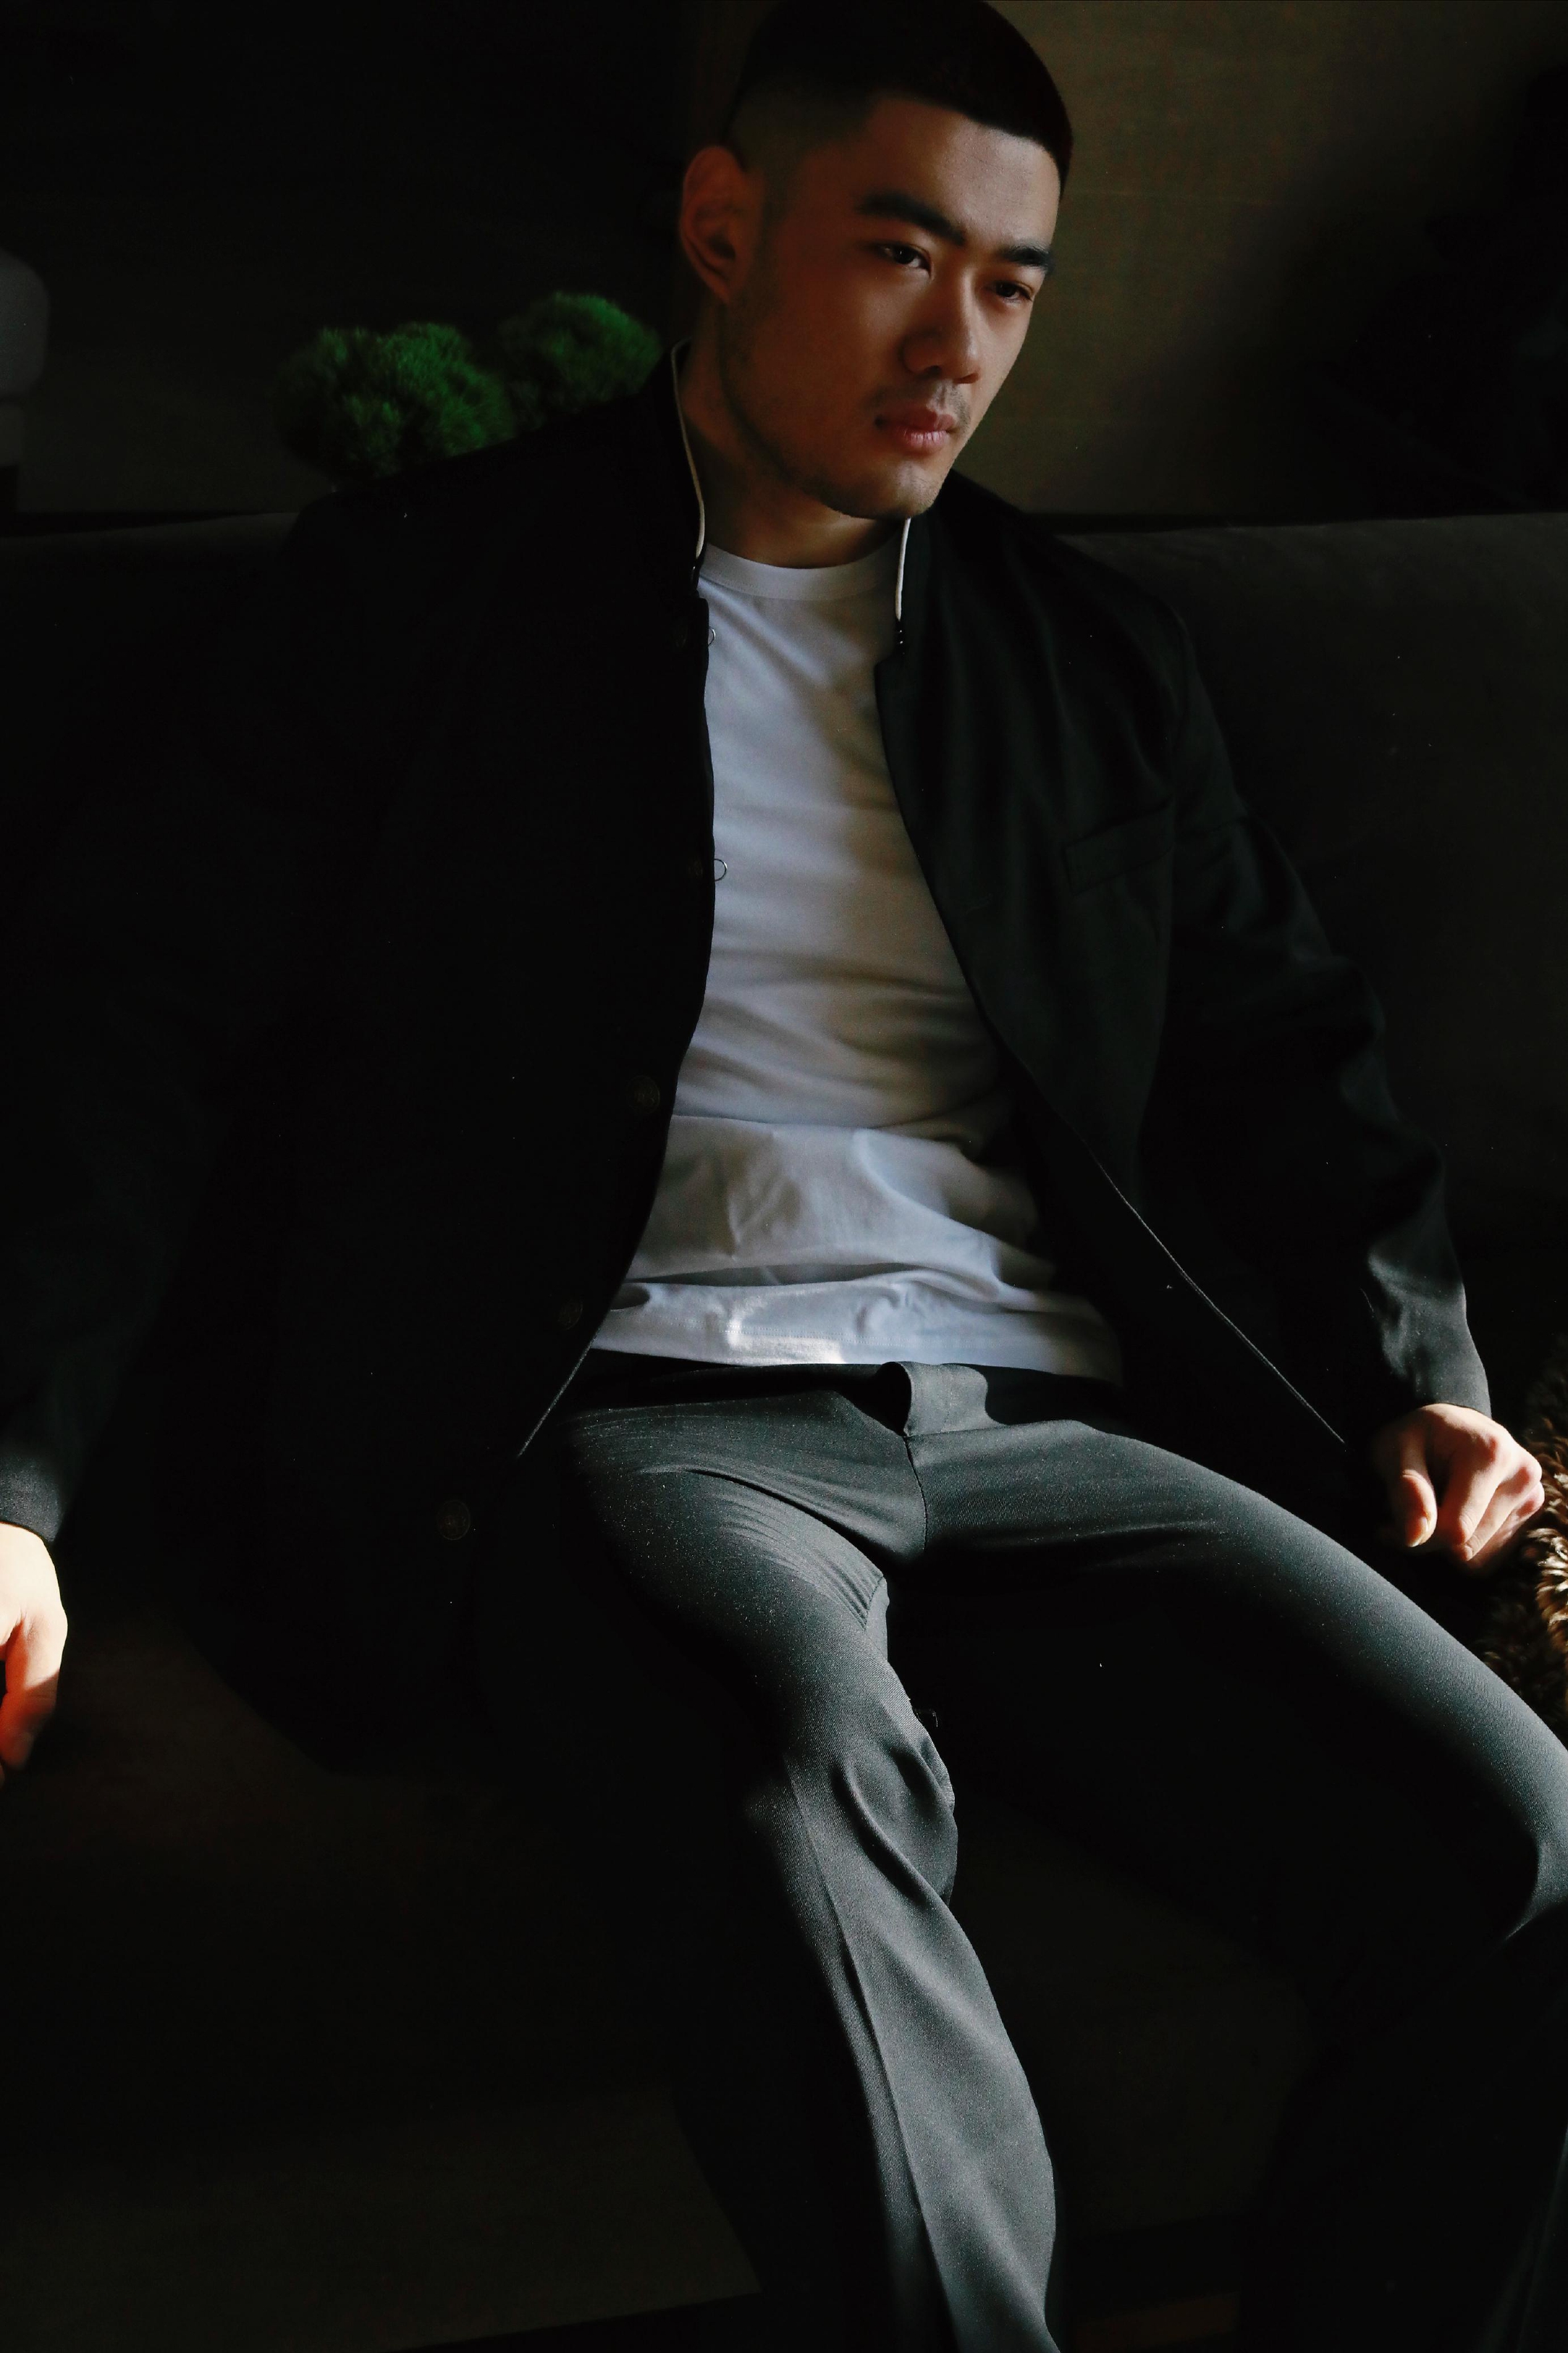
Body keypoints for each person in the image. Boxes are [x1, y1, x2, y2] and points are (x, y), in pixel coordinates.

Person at [0, 1, 1563, 2346]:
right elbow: (128, 1031)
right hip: (644, 1412)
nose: (961, 344)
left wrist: (1413, 1365)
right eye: (900, 254)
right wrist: (16, 1483)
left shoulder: (1087, 656)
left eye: (1012, 284)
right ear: (725, 229)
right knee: (787, 1761)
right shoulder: (417, 595)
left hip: (1042, 1428)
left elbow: (1287, 1055)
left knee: (1526, 1853)